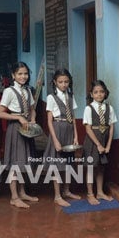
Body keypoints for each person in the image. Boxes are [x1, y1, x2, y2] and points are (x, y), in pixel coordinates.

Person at [0, 61, 39, 208]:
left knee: (25, 162)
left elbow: (32, 108)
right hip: (15, 130)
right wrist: (19, 117)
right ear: (13, 75)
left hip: (27, 129)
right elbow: (0, 113)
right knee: (16, 163)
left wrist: (32, 119)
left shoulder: (27, 90)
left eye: (25, 73)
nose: (23, 76)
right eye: (20, 74)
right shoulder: (9, 92)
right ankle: (14, 197)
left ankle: (22, 192)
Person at [43, 68, 82, 207]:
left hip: (69, 131)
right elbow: (49, 121)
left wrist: (76, 136)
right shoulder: (51, 97)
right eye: (60, 82)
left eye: (66, 81)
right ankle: (57, 195)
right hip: (58, 130)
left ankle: (66, 191)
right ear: (55, 82)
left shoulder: (71, 97)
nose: (64, 84)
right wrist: (55, 140)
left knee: (68, 164)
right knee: (57, 165)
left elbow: (74, 119)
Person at [82, 79, 117, 205]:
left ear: (105, 93)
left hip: (104, 140)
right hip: (92, 141)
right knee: (91, 168)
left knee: (101, 168)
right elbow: (87, 129)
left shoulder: (109, 108)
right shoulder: (89, 108)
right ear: (91, 94)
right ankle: (90, 193)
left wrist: (108, 145)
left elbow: (112, 127)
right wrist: (98, 144)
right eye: (96, 92)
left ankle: (100, 192)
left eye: (101, 92)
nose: (99, 94)